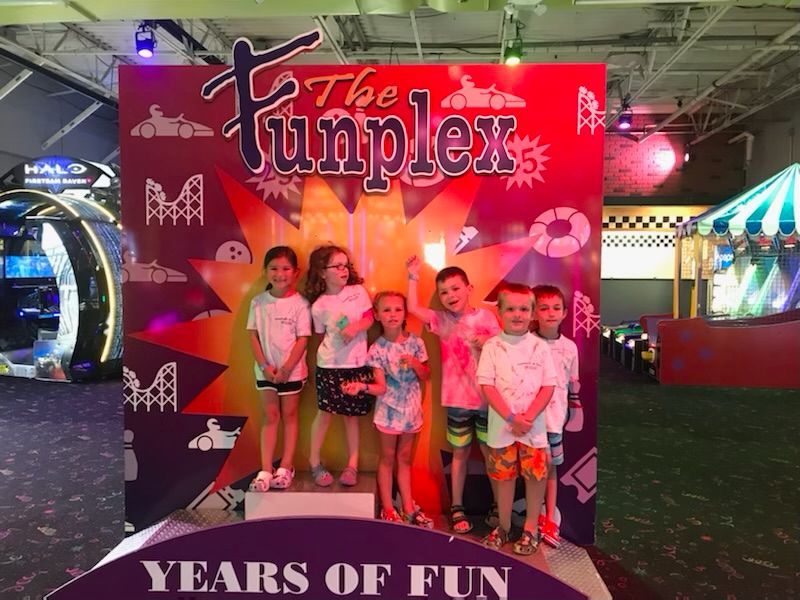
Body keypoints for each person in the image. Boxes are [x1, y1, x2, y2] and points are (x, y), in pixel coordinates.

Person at [406, 256, 500, 534]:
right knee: (459, 453)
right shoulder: (441, 320)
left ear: (469, 288)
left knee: (489, 453)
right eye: (444, 292)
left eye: (456, 289)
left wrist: (486, 341)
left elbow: (502, 345)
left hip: (487, 401)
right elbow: (412, 308)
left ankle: (498, 504)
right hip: (457, 402)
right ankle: (457, 506)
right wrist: (412, 276)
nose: (450, 296)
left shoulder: (486, 317)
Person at [476, 283, 556, 554]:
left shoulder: (540, 347)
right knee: (504, 476)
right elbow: (488, 386)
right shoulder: (492, 347)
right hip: (502, 430)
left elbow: (548, 386)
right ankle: (505, 524)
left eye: (524, 309)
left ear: (533, 313)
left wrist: (528, 417)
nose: (518, 314)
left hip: (533, 430)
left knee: (535, 477)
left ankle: (531, 527)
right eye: (510, 309)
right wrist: (512, 418)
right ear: (499, 312)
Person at [344, 291, 433, 527]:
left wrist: (414, 363)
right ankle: (387, 508)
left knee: (404, 459)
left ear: (405, 313)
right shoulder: (377, 349)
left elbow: (426, 375)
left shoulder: (416, 343)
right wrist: (362, 386)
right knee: (387, 458)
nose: (392, 315)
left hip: (411, 412)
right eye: (386, 310)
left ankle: (408, 507)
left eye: (397, 309)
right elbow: (381, 388)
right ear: (377, 315)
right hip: (388, 412)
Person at [306, 244, 374, 488]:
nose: (343, 270)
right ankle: (314, 462)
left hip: (356, 364)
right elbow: (320, 335)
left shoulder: (358, 291)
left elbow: (369, 318)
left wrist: (355, 328)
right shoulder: (319, 306)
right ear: (322, 272)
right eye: (337, 266)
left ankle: (352, 465)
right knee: (324, 414)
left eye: (345, 265)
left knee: (351, 417)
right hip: (329, 365)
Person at [247, 246, 311, 492]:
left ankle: (286, 467)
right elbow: (253, 336)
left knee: (290, 416)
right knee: (271, 417)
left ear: (296, 272)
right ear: (265, 271)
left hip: (292, 373)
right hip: (265, 372)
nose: (280, 274)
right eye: (274, 268)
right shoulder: (258, 303)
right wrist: (264, 366)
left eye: (286, 269)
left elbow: (303, 339)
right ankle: (265, 470)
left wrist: (286, 369)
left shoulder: (300, 304)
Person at [531, 284, 580, 548]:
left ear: (564, 313)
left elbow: (573, 385)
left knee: (550, 469)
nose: (550, 313)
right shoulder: (526, 343)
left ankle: (550, 517)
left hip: (555, 420)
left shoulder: (570, 347)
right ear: (534, 313)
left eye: (556, 308)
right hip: (529, 422)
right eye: (544, 308)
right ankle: (532, 516)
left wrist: (573, 413)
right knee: (530, 471)